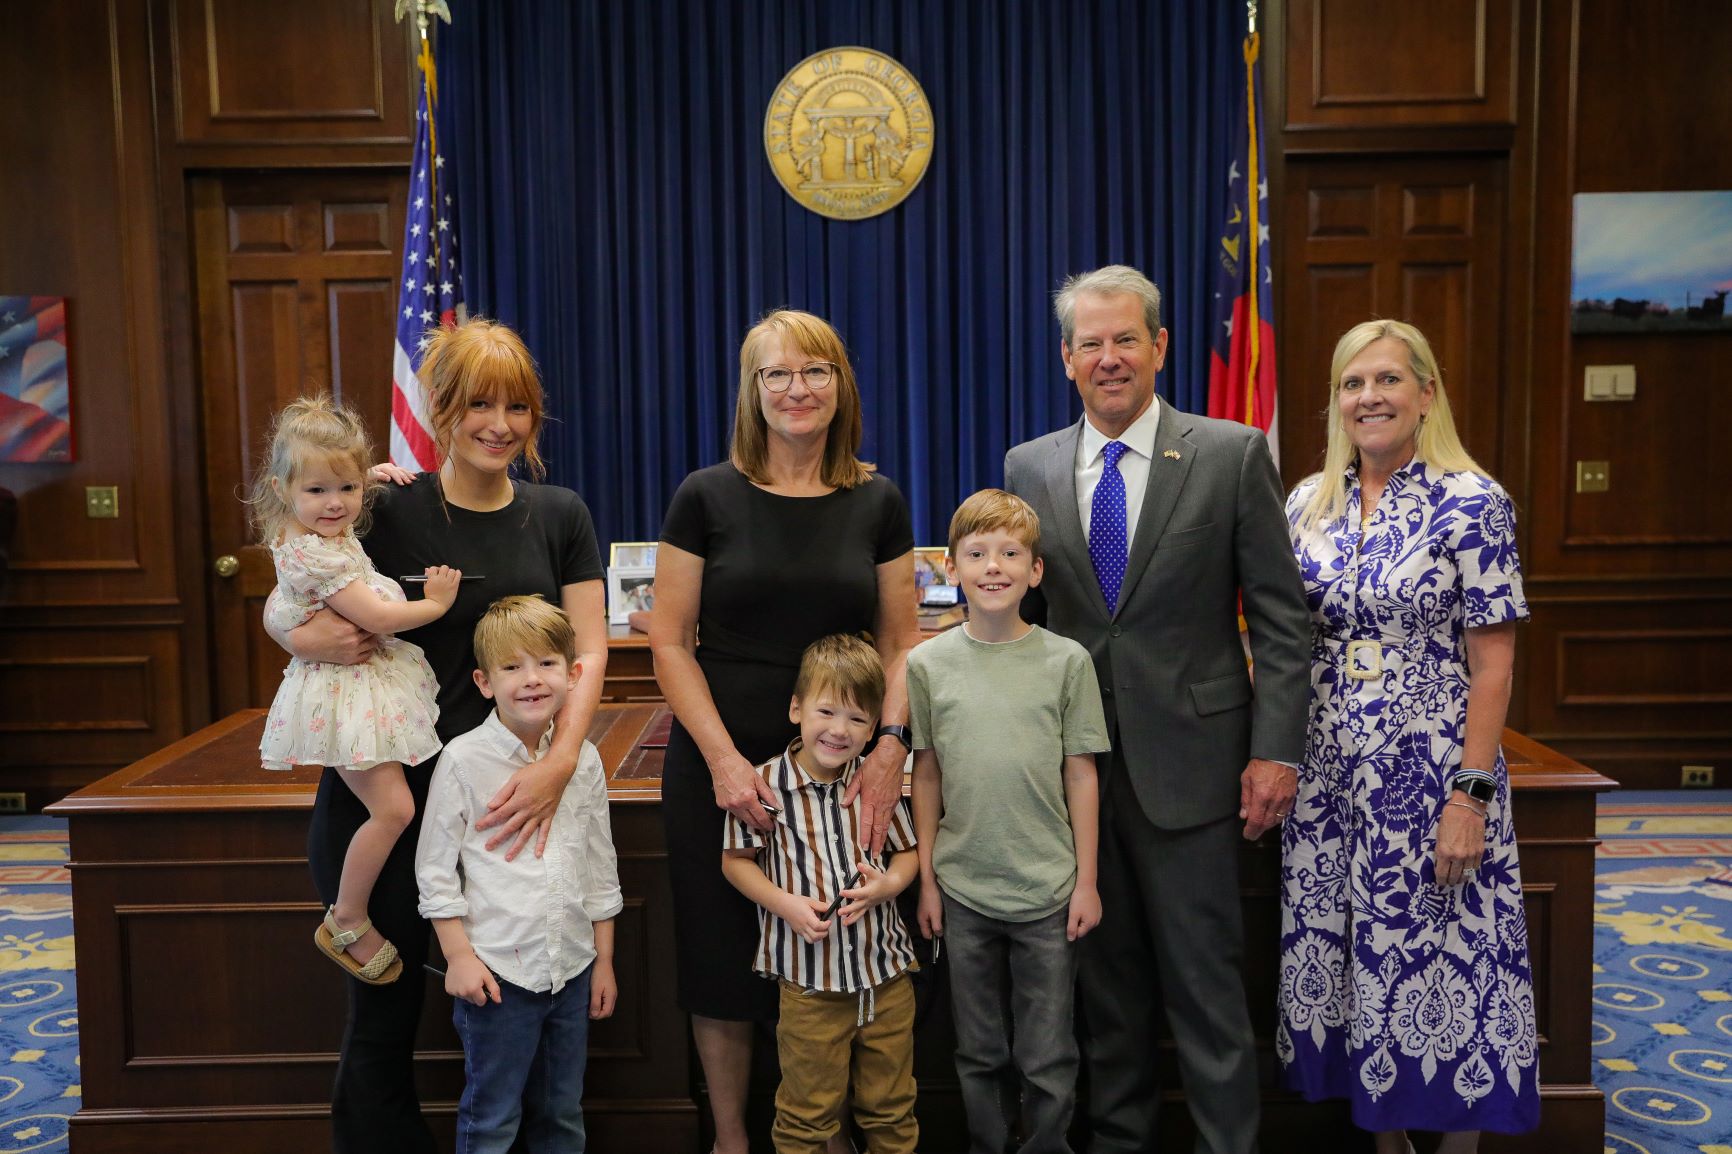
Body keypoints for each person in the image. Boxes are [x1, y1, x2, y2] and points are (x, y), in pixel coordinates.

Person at [266, 317, 608, 1154]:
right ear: (442, 409)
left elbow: (591, 647)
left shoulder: (560, 513)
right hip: (393, 797)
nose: (498, 423)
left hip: (514, 802)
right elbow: (294, 591)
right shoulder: (381, 507)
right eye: (477, 404)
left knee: (520, 1009)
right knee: (382, 1015)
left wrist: (561, 762)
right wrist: (295, 637)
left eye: (517, 407)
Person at [1002, 264, 1310, 1154]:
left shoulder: (1231, 453)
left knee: (1209, 995)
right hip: (1076, 781)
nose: (1109, 358)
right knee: (1106, 996)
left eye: (1125, 339)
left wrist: (1276, 751)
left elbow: (1283, 624)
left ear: (1160, 346)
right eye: (1090, 344)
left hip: (1198, 773)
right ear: (1066, 359)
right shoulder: (1029, 465)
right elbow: (1030, 622)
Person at [651, 309, 919, 1154]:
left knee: (830, 939)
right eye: (776, 374)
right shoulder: (706, 494)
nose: (796, 389)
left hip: (840, 765)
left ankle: (823, 1131)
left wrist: (888, 748)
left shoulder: (877, 499)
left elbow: (901, 644)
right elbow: (667, 641)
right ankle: (733, 1138)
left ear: (840, 386)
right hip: (724, 760)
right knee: (723, 959)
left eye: (814, 371)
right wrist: (726, 761)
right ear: (751, 390)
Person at [1277, 320, 1538, 1152]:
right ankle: (1383, 1139)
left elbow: (1492, 665)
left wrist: (1471, 796)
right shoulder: (1306, 504)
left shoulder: (1474, 502)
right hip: (1325, 777)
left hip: (1429, 776)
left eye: (1388, 380)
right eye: (1353, 385)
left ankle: (1459, 1142)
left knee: (1443, 953)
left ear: (1428, 393)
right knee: (1357, 957)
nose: (1369, 398)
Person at [908, 489, 1108, 1154]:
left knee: (1048, 1052)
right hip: (963, 890)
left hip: (1049, 893)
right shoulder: (927, 664)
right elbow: (928, 773)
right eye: (977, 553)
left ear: (1035, 570)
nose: (994, 566)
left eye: (1010, 553)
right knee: (979, 1049)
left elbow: (1081, 773)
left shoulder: (1066, 661)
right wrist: (931, 883)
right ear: (951, 567)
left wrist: (1086, 882)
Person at [252, 396, 460, 985]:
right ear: (282, 488)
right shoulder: (315, 555)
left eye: (345, 488)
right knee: (393, 808)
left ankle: (349, 911)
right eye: (317, 490)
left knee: (395, 805)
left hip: (358, 686)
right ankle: (345, 917)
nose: (335, 503)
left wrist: (358, 476)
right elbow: (377, 616)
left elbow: (327, 490)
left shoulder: (305, 522)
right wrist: (437, 602)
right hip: (344, 697)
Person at [415, 594, 621, 1154]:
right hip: (498, 978)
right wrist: (458, 955)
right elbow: (435, 872)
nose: (531, 680)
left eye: (547, 664)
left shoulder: (586, 760)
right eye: (512, 667)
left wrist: (603, 961)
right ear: (484, 683)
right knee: (491, 1120)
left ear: (573, 674)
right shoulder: (463, 760)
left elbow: (601, 866)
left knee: (562, 1114)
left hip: (574, 970)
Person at [720, 634, 921, 1154]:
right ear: (795, 709)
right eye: (826, 711)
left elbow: (909, 854)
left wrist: (890, 885)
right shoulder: (764, 785)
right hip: (810, 985)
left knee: (892, 1110)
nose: (839, 730)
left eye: (857, 719)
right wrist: (785, 904)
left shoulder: (877, 782)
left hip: (885, 980)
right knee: (806, 1116)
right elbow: (735, 863)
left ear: (875, 727)